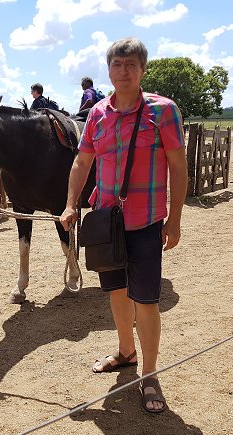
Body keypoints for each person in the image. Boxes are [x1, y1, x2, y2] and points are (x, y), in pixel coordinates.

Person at [60, 37, 187, 414]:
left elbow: (178, 166)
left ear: (142, 69)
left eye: (131, 64)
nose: (124, 70)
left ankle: (150, 374)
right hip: (106, 223)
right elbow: (82, 162)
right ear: (109, 70)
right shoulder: (98, 114)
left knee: (146, 300)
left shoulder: (164, 111)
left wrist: (175, 220)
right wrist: (70, 204)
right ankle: (126, 352)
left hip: (146, 222)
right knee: (116, 293)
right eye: (117, 64)